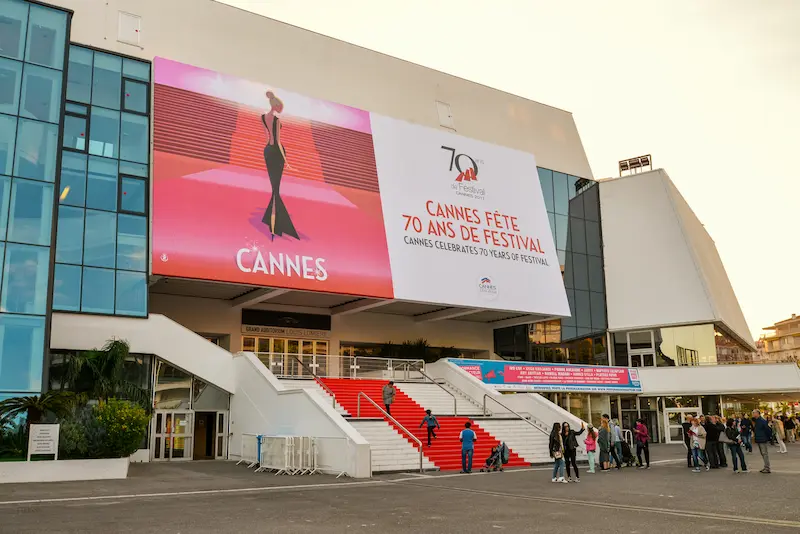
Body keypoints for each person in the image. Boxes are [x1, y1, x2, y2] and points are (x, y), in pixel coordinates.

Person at [260, 91, 299, 239]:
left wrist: (268, 152)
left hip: (268, 152)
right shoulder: (276, 120)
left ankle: (273, 224)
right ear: (275, 106)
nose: (281, 109)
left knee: (275, 189)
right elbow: (278, 141)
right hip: (277, 152)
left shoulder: (263, 117)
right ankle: (275, 227)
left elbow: (267, 138)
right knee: (275, 190)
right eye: (280, 107)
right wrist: (287, 162)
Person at [753, 409, 772, 473]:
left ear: (758, 413)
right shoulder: (758, 420)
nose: (753, 414)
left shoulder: (762, 420)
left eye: (754, 413)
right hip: (760, 438)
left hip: (762, 439)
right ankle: (766, 467)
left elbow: (767, 429)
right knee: (763, 453)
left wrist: (768, 437)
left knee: (764, 453)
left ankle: (767, 467)